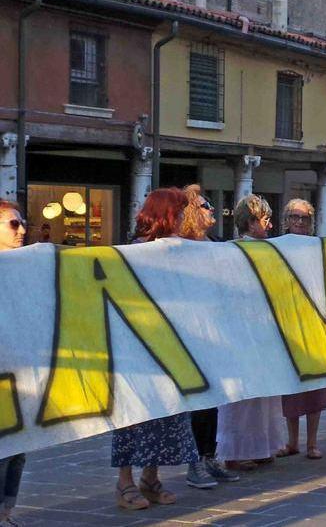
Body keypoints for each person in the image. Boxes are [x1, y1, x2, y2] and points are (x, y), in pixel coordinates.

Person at [112, 188, 200, 510]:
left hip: (171, 348)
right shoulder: (133, 252)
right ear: (165, 214)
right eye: (177, 213)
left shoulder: (181, 251)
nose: (181, 219)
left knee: (164, 414)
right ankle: (124, 483)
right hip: (136, 349)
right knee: (133, 415)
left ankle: (150, 478)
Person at [217, 195, 285, 469]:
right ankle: (235, 453)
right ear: (250, 221)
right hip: (240, 328)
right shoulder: (231, 251)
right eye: (264, 219)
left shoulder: (269, 250)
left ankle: (261, 446)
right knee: (241, 396)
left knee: (264, 393)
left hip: (263, 326)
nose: (269, 225)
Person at [180, 185, 240, 489]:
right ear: (192, 211)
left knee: (214, 400)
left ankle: (209, 457)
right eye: (206, 206)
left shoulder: (218, 245)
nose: (212, 211)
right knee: (197, 403)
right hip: (193, 335)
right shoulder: (180, 248)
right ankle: (193, 464)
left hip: (217, 333)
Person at [278, 199, 326, 460]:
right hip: (288, 325)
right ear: (286, 220)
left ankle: (312, 442)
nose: (300, 222)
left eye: (305, 218)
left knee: (316, 388)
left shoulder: (319, 248)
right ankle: (292, 441)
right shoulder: (275, 248)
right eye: (295, 217)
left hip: (315, 324)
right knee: (291, 387)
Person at [0, 201, 27, 523]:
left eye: (22, 224)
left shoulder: (26, 266)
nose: (21, 230)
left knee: (20, 448)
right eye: (12, 224)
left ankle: (7, 510)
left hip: (24, 368)